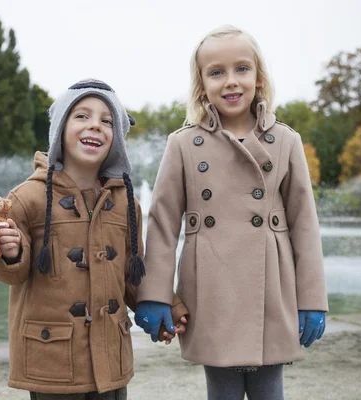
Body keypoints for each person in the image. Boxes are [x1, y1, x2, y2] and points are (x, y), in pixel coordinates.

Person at [134, 25, 328, 400]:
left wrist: (313, 299)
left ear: (259, 77)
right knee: (220, 388)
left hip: (272, 286)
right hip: (210, 286)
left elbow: (305, 225)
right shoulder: (184, 143)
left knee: (269, 388)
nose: (231, 81)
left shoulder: (286, 140)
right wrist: (154, 293)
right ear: (201, 83)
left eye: (242, 69)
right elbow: (162, 224)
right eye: (216, 72)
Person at [0, 79, 188, 399]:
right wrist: (10, 253)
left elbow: (133, 274)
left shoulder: (126, 203)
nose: (95, 125)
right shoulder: (28, 198)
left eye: (106, 121)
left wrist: (167, 306)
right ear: (59, 129)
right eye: (82, 116)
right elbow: (10, 273)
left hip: (111, 358)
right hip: (52, 360)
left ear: (117, 137)